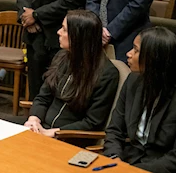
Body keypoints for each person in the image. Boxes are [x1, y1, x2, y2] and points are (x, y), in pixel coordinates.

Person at [22, 10, 119, 142]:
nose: (58, 32)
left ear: (79, 37)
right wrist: (34, 120)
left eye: (64, 29)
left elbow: (92, 122)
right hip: (42, 127)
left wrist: (54, 133)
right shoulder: (62, 57)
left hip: (70, 137)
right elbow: (43, 97)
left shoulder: (107, 74)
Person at [104, 27, 176, 173]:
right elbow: (114, 130)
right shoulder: (133, 81)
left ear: (154, 59)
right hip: (125, 163)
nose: (128, 54)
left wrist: (130, 171)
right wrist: (114, 157)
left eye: (136, 50)